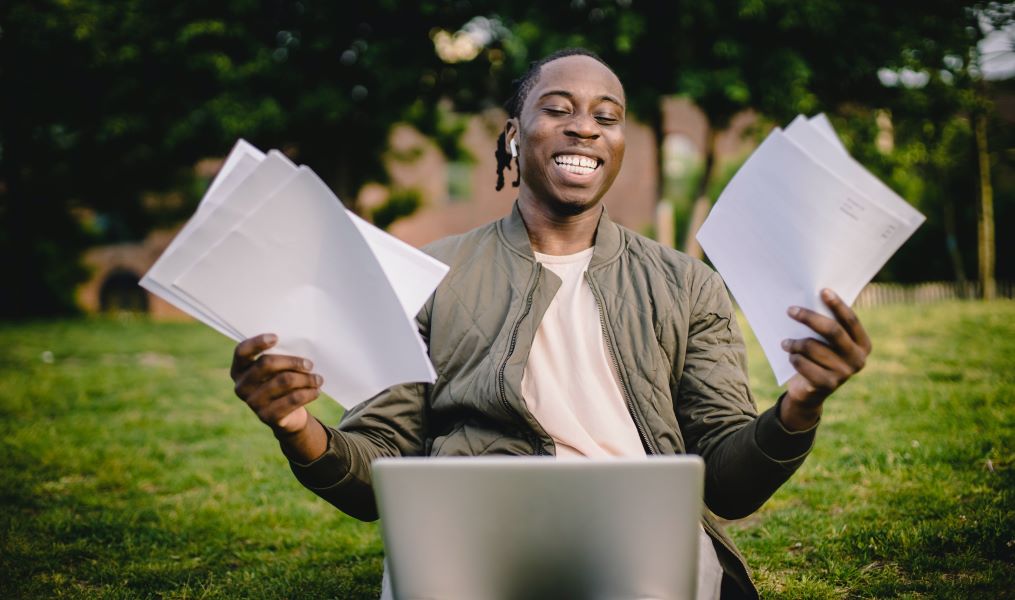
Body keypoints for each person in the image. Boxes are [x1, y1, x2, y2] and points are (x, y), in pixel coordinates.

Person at [229, 48, 871, 599]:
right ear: (514, 134)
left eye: (606, 117)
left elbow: (729, 482)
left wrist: (800, 407)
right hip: (468, 539)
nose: (584, 128)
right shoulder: (427, 276)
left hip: (641, 546)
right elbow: (378, 473)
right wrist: (296, 427)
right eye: (558, 109)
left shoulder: (687, 285)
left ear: (619, 144)